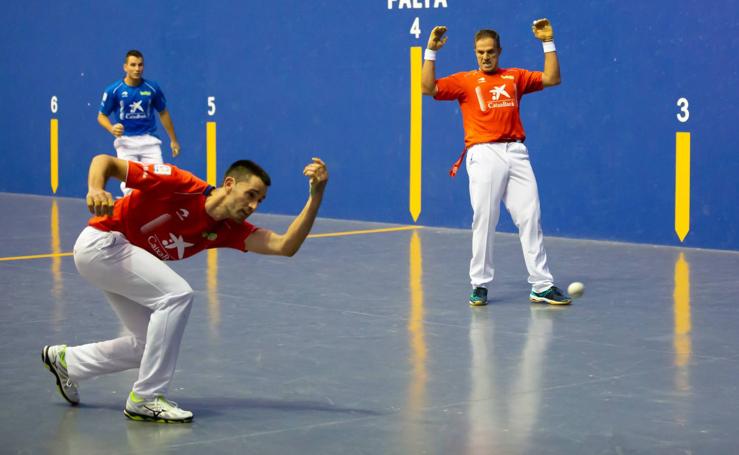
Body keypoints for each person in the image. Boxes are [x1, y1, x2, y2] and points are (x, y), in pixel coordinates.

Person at [41, 154, 328, 422]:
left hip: (116, 261)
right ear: (229, 185)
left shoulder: (228, 229)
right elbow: (105, 162)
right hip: (103, 242)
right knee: (177, 294)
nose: (253, 206)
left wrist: (316, 196)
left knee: (147, 344)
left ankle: (69, 362)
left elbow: (284, 246)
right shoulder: (180, 184)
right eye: (250, 195)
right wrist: (95, 189)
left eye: (260, 201)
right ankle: (146, 397)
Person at [421, 19, 571, 306]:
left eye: (490, 51)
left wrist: (547, 42)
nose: (485, 56)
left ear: (499, 51)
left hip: (516, 152)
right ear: (475, 53)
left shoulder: (514, 77)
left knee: (530, 217)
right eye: (480, 52)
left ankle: (541, 284)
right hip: (483, 153)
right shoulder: (465, 81)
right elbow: (427, 88)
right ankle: (479, 284)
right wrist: (431, 51)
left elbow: (552, 78)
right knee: (485, 219)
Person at [98, 50, 181, 195]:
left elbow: (163, 113)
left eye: (140, 65)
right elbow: (101, 116)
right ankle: (132, 215)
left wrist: (173, 140)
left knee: (160, 181)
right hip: (125, 143)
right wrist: (111, 128)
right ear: (125, 67)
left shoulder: (152, 88)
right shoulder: (114, 90)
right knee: (130, 187)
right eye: (133, 65)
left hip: (150, 142)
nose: (137, 69)